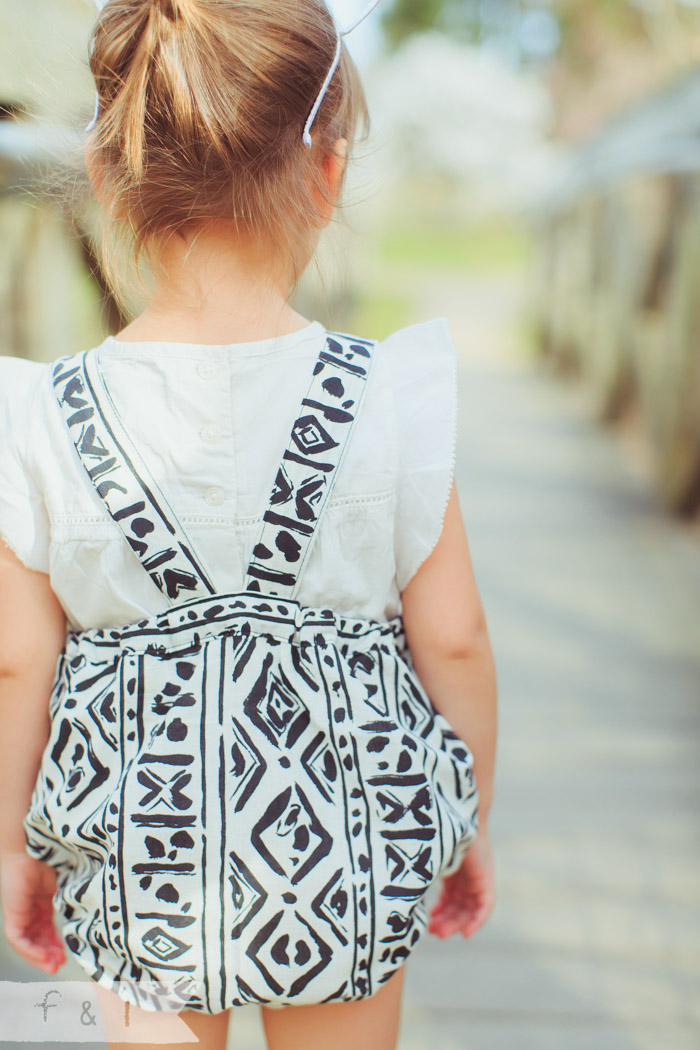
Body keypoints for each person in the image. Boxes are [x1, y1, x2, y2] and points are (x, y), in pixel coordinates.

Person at [0, 1, 498, 1048]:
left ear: (104, 175)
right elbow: (453, 638)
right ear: (329, 170)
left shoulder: (42, 418)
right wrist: (464, 821)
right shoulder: (391, 398)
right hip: (350, 838)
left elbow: (17, 665)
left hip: (142, 845)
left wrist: (17, 845)